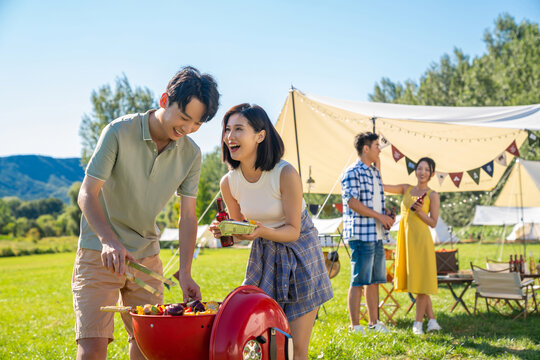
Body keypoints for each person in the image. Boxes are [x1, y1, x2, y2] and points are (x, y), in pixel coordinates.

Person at [72, 66, 219, 360]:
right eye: (184, 118)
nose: (187, 128)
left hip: (146, 257)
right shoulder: (119, 131)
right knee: (93, 345)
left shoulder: (191, 154)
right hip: (99, 251)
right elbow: (87, 193)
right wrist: (108, 240)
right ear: (165, 99)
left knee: (148, 344)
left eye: (197, 124)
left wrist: (186, 272)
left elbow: (188, 217)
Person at [209, 104, 333, 360]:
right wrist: (224, 231)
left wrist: (260, 231)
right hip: (264, 254)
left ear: (260, 135)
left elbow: (293, 231)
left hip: (300, 252)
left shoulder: (284, 173)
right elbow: (241, 231)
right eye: (227, 129)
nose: (230, 136)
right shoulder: (229, 182)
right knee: (266, 344)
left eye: (239, 129)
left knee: (295, 347)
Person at [341, 132, 394, 334]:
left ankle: (374, 324)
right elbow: (352, 202)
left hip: (377, 234)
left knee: (374, 281)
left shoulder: (374, 172)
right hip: (361, 235)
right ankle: (355, 326)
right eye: (376, 146)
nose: (379, 150)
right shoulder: (352, 172)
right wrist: (380, 217)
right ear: (366, 149)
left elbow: (374, 202)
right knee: (358, 280)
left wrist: (387, 215)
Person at [383, 157, 442, 335]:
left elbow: (433, 222)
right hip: (406, 241)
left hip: (421, 242)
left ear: (431, 174)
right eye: (419, 168)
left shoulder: (433, 195)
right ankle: (432, 321)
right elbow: (382, 186)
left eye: (426, 169)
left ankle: (418, 324)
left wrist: (419, 211)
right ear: (415, 170)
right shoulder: (406, 188)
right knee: (418, 281)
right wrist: (377, 164)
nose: (422, 172)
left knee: (422, 283)